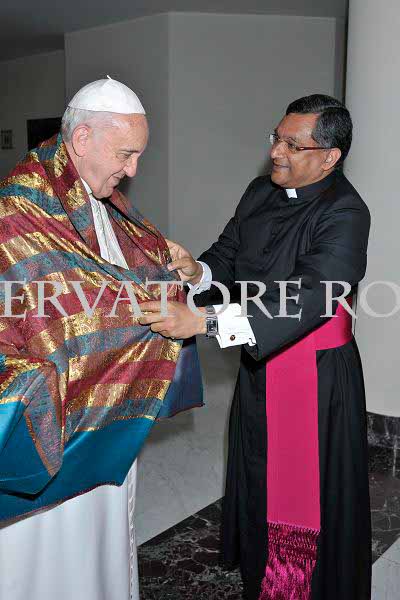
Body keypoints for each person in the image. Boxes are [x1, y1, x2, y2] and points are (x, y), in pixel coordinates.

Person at [139, 94, 371, 599]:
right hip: (259, 361)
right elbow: (228, 256)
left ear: (330, 157)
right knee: (256, 468)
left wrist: (202, 320)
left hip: (317, 377)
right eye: (276, 138)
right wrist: (196, 272)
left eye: (292, 145)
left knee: (310, 489)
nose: (275, 152)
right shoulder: (259, 192)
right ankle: (261, 568)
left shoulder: (347, 212)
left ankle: (305, 584)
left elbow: (309, 295)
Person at [0, 77, 202, 600]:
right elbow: (44, 315)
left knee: (103, 535)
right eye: (125, 154)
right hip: (57, 422)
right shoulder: (19, 212)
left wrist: (172, 274)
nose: (132, 171)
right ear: (83, 138)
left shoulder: (101, 198)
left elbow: (115, 277)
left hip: (105, 407)